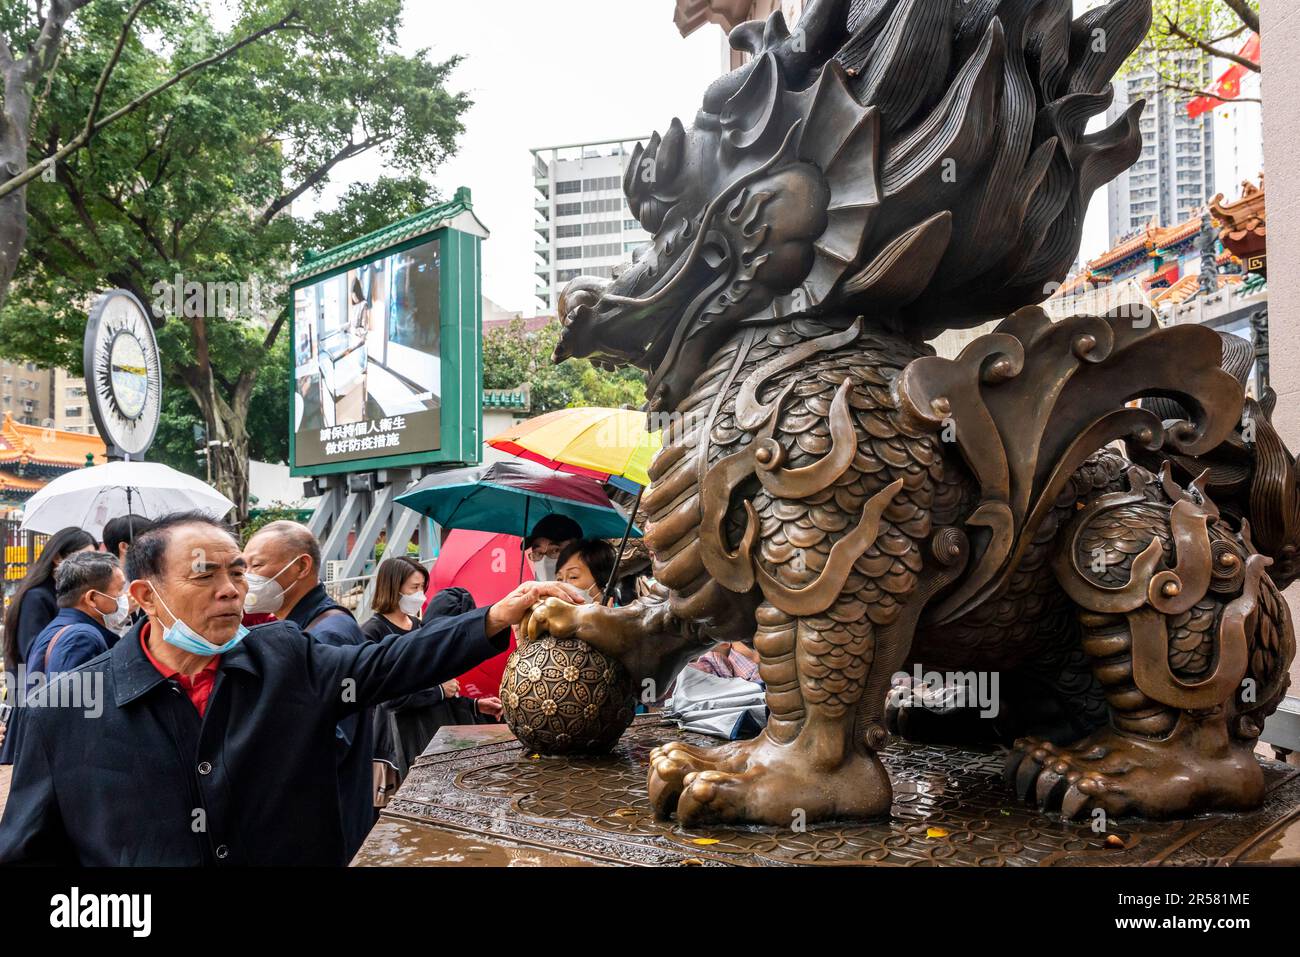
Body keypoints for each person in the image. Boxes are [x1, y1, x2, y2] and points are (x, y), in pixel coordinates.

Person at [0, 511, 586, 865]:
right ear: (145, 597)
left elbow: (390, 663)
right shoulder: (66, 712)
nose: (231, 589)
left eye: (238, 571)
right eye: (206, 574)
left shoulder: (286, 658)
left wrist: (492, 618)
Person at [241, 520, 375, 860]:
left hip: (326, 820)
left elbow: (330, 740)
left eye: (255, 565)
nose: (246, 578)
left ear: (301, 566)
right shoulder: (306, 626)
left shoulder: (325, 635)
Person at [361, 557, 500, 804]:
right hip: (394, 747)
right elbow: (385, 696)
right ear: (393, 587)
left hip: (427, 739)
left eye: (423, 588)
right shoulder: (372, 632)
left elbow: (437, 687)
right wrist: (438, 690)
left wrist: (474, 706)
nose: (420, 595)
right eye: (414, 588)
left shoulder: (419, 626)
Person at [0, 527, 96, 765]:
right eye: (83, 557)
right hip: (34, 700)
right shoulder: (37, 597)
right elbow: (33, 650)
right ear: (57, 557)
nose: (89, 565)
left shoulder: (65, 594)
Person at [27, 552, 129, 676]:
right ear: (91, 598)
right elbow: (74, 694)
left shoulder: (58, 628)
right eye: (119, 590)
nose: (124, 596)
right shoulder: (81, 639)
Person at [555, 538, 619, 604]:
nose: (563, 585)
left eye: (573, 577)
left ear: (604, 580)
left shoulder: (623, 614)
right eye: (559, 579)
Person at [523, 514, 582, 580]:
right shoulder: (529, 589)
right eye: (538, 553)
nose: (544, 561)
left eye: (555, 550)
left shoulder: (591, 588)